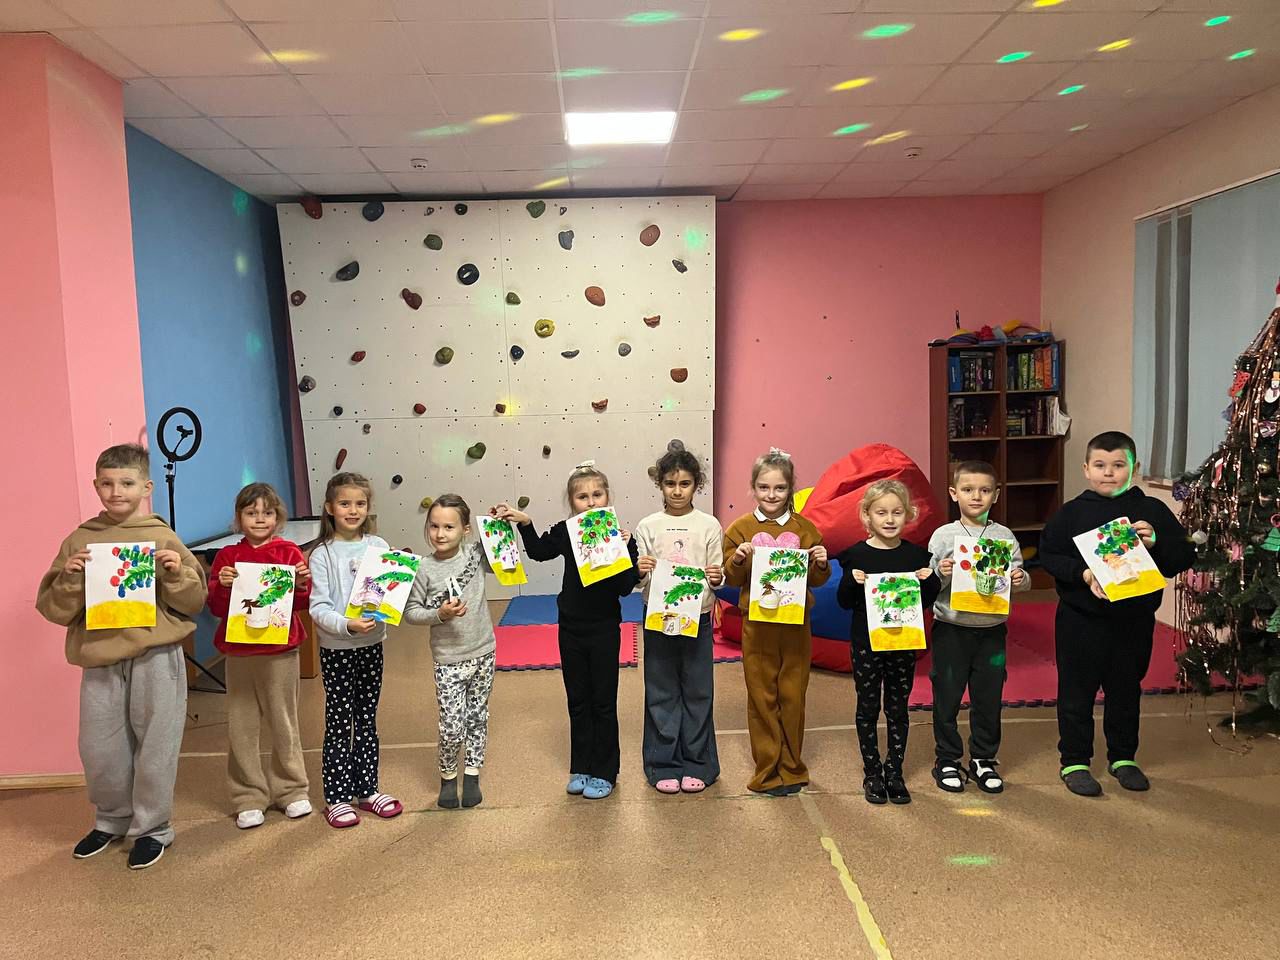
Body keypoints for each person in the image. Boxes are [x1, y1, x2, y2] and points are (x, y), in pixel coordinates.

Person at [36, 443, 207, 869]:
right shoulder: (81, 539)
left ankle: (153, 829)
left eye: (127, 483)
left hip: (156, 655)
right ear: (96, 486)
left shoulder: (162, 536)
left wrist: (175, 573)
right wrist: (71, 578)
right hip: (100, 658)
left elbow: (194, 601)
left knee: (156, 744)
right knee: (100, 748)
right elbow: (55, 609)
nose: (116, 492)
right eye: (107, 484)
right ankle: (111, 819)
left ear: (146, 488)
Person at [1040, 431, 1194, 796]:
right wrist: (1083, 574)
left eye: (1118, 465)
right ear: (1086, 469)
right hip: (1080, 620)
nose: (1108, 473)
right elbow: (1049, 556)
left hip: (1133, 621)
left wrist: (1155, 543)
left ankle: (1123, 757)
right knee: (1076, 691)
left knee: (1125, 690)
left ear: (1134, 469)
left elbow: (1183, 556)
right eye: (1100, 465)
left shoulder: (1151, 511)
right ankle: (1075, 760)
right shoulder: (1072, 512)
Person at [493, 462, 639, 800]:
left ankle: (605, 771)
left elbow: (625, 588)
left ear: (607, 497)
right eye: (582, 497)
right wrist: (525, 523)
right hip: (570, 627)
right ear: (571, 501)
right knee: (577, 700)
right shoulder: (566, 531)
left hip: (605, 628)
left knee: (603, 702)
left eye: (597, 495)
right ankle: (581, 767)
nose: (590, 502)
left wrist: (624, 550)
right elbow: (539, 552)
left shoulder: (618, 535)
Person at [722, 448, 830, 796]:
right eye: (764, 487)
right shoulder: (740, 528)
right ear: (753, 488)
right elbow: (729, 577)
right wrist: (738, 559)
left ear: (790, 489)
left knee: (793, 695)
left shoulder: (805, 528)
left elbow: (817, 580)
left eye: (780, 488)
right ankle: (767, 769)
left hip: (796, 626)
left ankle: (792, 766)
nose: (771, 495)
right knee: (761, 696)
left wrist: (820, 562)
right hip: (758, 626)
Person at [206, 482, 313, 829]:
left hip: (281, 652)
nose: (260, 519)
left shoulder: (289, 553)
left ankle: (292, 790)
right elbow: (216, 607)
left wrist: (302, 584)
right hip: (239, 653)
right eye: (251, 513)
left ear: (277, 517)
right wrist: (221, 586)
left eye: (267, 512)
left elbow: (300, 603)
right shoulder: (227, 557)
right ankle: (248, 796)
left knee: (284, 722)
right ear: (239, 518)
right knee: (242, 725)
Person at [927, 461, 1029, 794]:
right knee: (947, 695)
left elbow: (1020, 580)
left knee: (988, 697)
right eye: (968, 490)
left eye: (984, 490)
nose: (976, 496)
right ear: (954, 493)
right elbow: (928, 585)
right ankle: (947, 758)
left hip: (991, 631)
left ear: (995, 495)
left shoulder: (1004, 536)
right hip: (951, 628)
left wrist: (1020, 578)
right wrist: (941, 573)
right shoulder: (944, 536)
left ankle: (984, 758)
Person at [837, 479, 941, 806]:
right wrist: (851, 582)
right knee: (867, 708)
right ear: (867, 516)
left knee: (897, 709)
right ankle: (872, 773)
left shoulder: (915, 556)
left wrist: (931, 581)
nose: (890, 519)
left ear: (908, 514)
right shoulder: (856, 555)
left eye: (897, 512)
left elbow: (925, 601)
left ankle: (894, 772)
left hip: (902, 644)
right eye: (881, 512)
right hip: (867, 644)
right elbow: (843, 602)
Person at [309, 472, 403, 827]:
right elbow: (318, 607)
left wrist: (393, 599)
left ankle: (367, 790)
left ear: (368, 507)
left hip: (371, 645)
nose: (353, 510)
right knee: (338, 720)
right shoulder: (322, 554)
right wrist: (346, 624)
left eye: (360, 503)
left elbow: (388, 593)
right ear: (330, 508)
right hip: (337, 648)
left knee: (366, 718)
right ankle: (336, 797)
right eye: (345, 503)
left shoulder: (378, 546)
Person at [634, 446, 723, 794]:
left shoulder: (708, 525)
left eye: (684, 483)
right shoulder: (648, 526)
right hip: (658, 617)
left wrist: (717, 577)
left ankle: (699, 763)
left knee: (698, 691)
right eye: (670, 483)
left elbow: (718, 574)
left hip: (697, 617)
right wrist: (639, 571)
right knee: (661, 691)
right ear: (660, 484)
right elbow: (639, 580)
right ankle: (663, 764)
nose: (677, 491)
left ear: (696, 485)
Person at [404, 495, 496, 810]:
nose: (440, 534)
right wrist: (439, 614)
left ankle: (471, 774)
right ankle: (447, 777)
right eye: (434, 526)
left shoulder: (475, 555)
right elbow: (411, 612)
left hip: (483, 651)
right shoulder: (424, 568)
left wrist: (500, 524)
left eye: (449, 527)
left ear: (466, 529)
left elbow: (504, 558)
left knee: (477, 716)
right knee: (452, 725)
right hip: (448, 659)